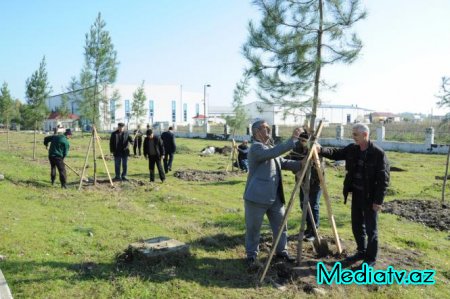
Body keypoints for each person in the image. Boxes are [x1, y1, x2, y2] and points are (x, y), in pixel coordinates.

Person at [318, 123, 390, 267]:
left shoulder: (378, 153)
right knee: (357, 226)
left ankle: (370, 259)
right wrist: (320, 149)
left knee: (371, 229)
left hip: (370, 197)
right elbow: (336, 153)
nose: (353, 137)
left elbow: (384, 180)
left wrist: (378, 201)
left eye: (355, 134)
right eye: (352, 134)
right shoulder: (352, 149)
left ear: (365, 135)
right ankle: (361, 251)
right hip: (356, 194)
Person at [243, 119, 303, 268]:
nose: (268, 131)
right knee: (253, 229)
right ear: (256, 132)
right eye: (265, 128)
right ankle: (252, 256)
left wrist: (301, 164)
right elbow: (273, 153)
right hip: (257, 197)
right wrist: (293, 140)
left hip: (275, 196)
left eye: (269, 128)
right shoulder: (256, 148)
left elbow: (281, 162)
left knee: (281, 226)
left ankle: (281, 252)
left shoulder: (269, 147)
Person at [285, 131, 323, 242]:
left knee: (313, 205)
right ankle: (308, 229)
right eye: (300, 140)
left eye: (304, 141)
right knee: (303, 205)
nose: (302, 143)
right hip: (301, 181)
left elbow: (317, 167)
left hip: (315, 182)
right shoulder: (297, 148)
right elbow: (288, 159)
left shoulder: (316, 149)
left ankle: (314, 231)